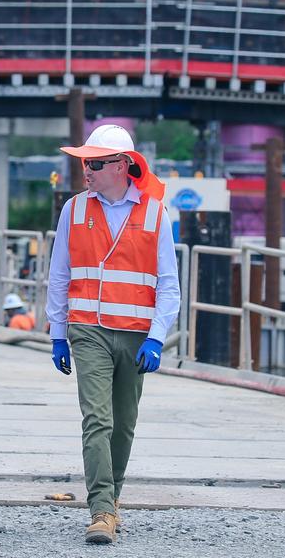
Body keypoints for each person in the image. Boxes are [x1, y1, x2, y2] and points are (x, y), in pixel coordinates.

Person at [44, 124, 180, 545]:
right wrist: (57, 332)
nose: (87, 169)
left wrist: (158, 337)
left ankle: (113, 500)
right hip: (89, 331)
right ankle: (101, 510)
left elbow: (169, 285)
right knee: (97, 420)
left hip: (137, 336)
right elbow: (59, 274)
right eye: (85, 162)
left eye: (96, 163)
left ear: (122, 166)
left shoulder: (155, 212)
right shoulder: (75, 210)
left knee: (124, 425)